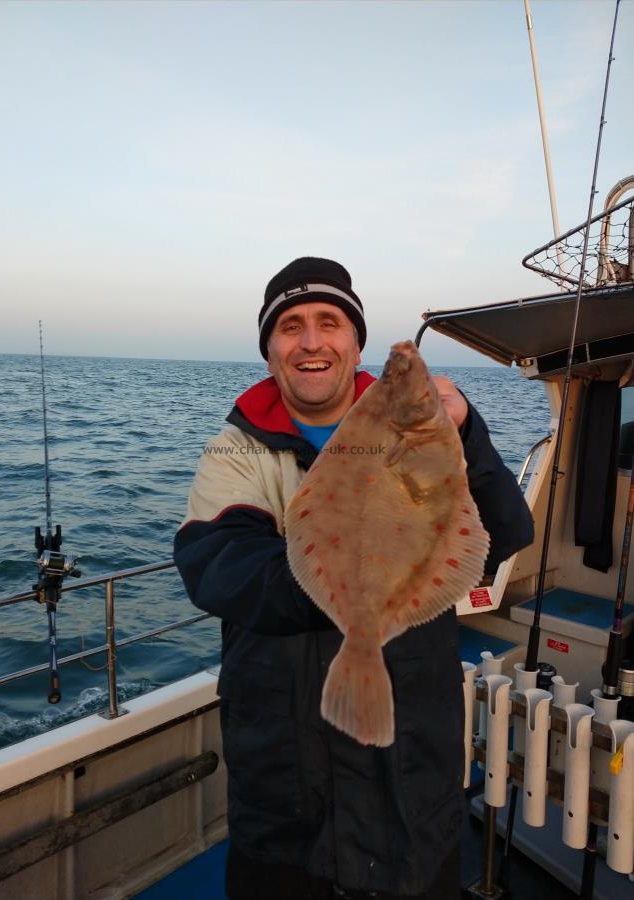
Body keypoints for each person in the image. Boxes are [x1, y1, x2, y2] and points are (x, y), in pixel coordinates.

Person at [174, 257, 534, 900]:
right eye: (290, 326)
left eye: (329, 323)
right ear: (270, 349)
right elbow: (217, 567)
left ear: (355, 342)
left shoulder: (420, 428)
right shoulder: (237, 447)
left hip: (411, 788)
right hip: (285, 802)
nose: (311, 342)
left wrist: (466, 433)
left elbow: (503, 531)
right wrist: (356, 587)